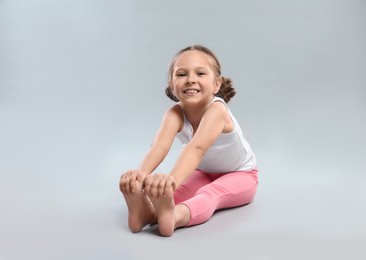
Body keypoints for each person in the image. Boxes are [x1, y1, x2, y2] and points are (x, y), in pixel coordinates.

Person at [119, 45, 258, 237]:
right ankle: (146, 213)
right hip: (204, 172)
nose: (190, 80)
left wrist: (171, 180)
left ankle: (176, 217)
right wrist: (140, 176)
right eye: (181, 74)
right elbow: (160, 146)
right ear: (171, 84)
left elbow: (197, 148)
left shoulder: (217, 110)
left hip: (241, 174)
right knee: (172, 195)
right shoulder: (174, 113)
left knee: (210, 193)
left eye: (200, 73)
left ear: (216, 84)